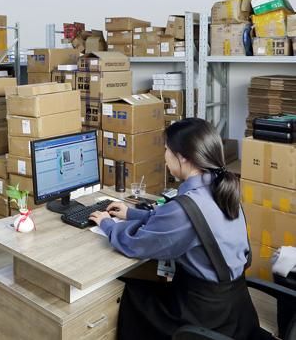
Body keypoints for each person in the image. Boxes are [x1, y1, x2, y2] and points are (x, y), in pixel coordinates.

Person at [88, 118, 267, 340]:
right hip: (237, 310)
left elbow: (135, 245)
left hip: (205, 318)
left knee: (131, 292)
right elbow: (181, 222)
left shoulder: (184, 208)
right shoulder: (221, 188)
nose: (164, 157)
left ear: (181, 157)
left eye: (166, 150)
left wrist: (106, 223)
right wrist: (131, 213)